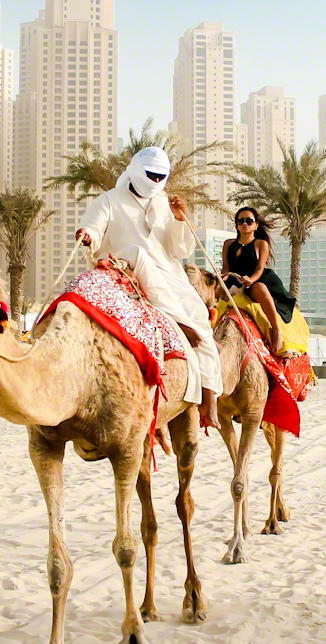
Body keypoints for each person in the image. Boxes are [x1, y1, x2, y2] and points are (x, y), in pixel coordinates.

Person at [75, 147, 222, 433]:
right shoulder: (109, 200)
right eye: (150, 174)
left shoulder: (166, 204)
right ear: (135, 170)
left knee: (201, 321)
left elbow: (179, 249)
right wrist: (87, 235)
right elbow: (93, 227)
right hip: (125, 266)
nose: (155, 180)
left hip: (168, 275)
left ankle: (210, 394)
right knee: (136, 252)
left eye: (160, 176)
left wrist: (180, 219)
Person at [221, 206, 296, 354]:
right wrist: (223, 276)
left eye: (249, 221)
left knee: (260, 288)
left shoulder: (261, 244)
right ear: (236, 225)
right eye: (241, 221)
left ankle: (276, 331)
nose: (245, 224)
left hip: (257, 279)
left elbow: (260, 268)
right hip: (234, 279)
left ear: (256, 225)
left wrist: (251, 279)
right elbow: (225, 267)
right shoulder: (228, 244)